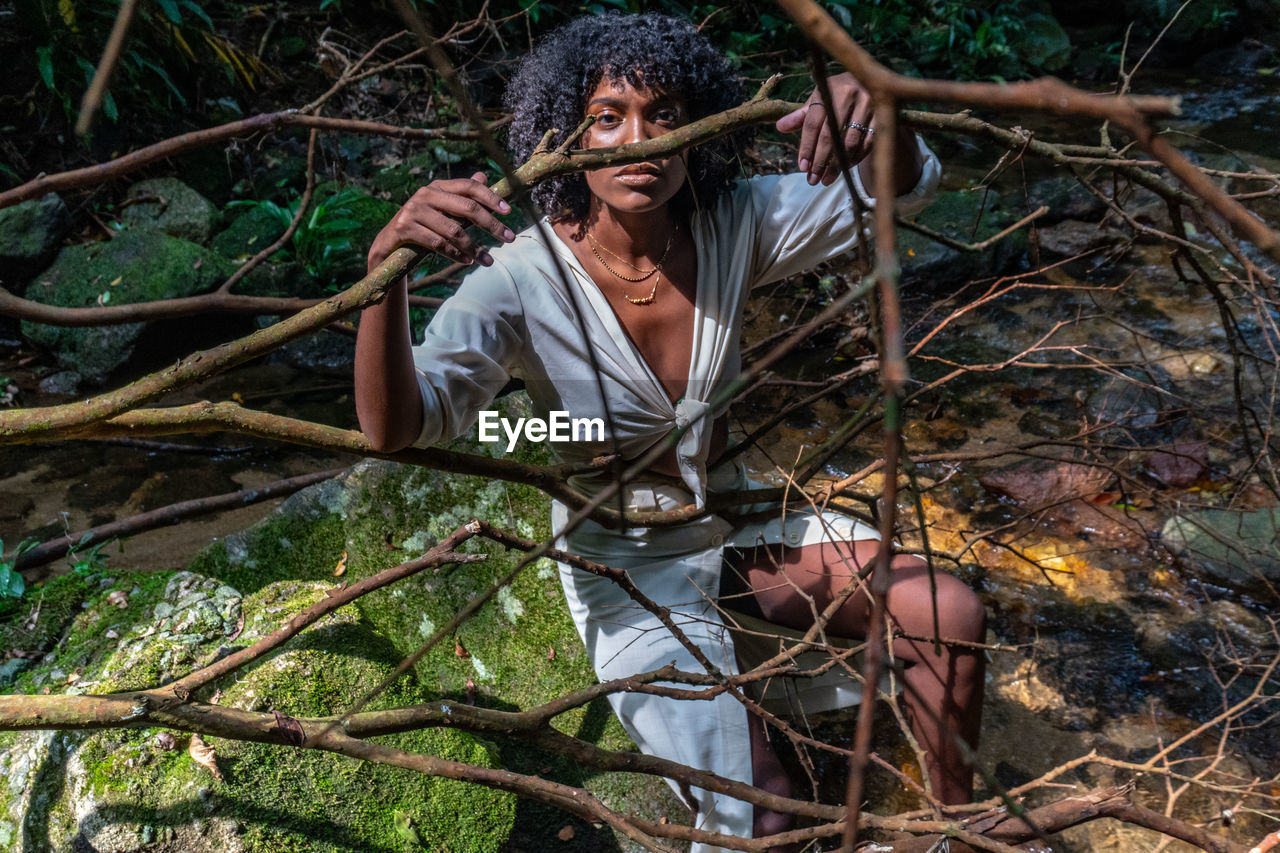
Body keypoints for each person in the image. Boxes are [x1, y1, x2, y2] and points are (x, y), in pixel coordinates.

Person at [356, 13, 985, 852]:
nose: (638, 141)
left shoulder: (734, 221)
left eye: (664, 114)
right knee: (762, 806)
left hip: (732, 525)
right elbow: (397, 426)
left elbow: (896, 192)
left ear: (700, 129)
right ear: (561, 136)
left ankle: (959, 833)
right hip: (627, 563)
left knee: (943, 610)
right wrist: (380, 277)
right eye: (607, 116)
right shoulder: (518, 280)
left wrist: (876, 114)